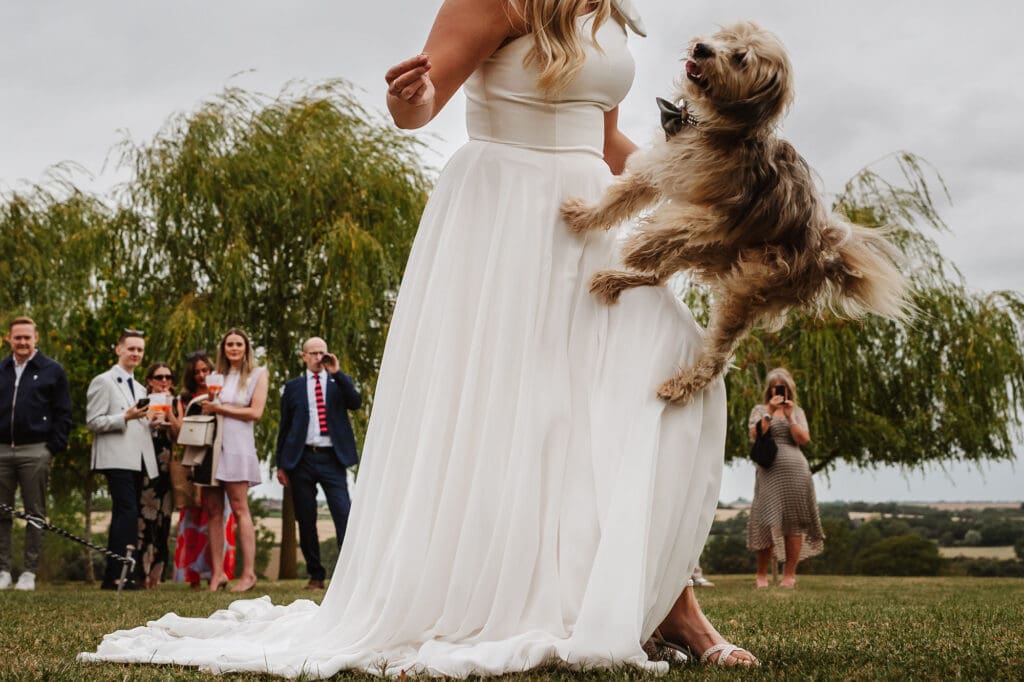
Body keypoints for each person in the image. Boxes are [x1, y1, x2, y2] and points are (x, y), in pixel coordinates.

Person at [80, 0, 754, 672]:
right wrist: (414, 94)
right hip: (504, 217)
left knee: (672, 367)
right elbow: (419, 108)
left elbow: (604, 142)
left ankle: (661, 599)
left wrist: (703, 191)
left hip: (591, 220)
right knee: (527, 413)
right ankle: (626, 608)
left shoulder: (607, 13)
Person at [275, 337, 361, 590]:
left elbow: (355, 403)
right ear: (304, 356)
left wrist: (338, 372)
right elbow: (285, 426)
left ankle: (349, 574)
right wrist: (282, 464)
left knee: (343, 512)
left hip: (332, 458)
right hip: (301, 459)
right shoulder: (293, 387)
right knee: (306, 517)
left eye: (321, 352)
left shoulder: (338, 383)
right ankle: (316, 575)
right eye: (312, 353)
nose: (317, 357)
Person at [0, 316, 72, 592]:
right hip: (2, 449)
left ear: (36, 338)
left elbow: (63, 413)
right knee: (1, 513)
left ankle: (29, 572)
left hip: (36, 450)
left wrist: (51, 448)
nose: (22, 342)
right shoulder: (2, 369)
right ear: (9, 338)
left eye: (27, 337)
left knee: (35, 513)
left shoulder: (53, 370)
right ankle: (3, 569)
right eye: (17, 337)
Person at [86, 329, 159, 590]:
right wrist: (124, 417)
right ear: (119, 350)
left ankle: (118, 574)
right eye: (131, 348)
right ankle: (118, 574)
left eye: (140, 349)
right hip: (114, 458)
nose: (136, 354)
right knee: (126, 514)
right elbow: (93, 422)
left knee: (128, 515)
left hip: (137, 460)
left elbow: (136, 426)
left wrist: (151, 423)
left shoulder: (140, 387)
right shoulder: (103, 381)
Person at [198, 328, 267, 592]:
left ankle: (248, 573)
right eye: (230, 344)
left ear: (246, 348)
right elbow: (211, 408)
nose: (234, 348)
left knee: (239, 508)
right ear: (224, 348)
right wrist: (211, 405)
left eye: (239, 344)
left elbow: (255, 412)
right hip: (213, 447)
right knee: (214, 511)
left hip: (238, 445)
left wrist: (220, 408)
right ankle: (218, 573)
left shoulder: (257, 375)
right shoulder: (217, 376)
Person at [746, 368, 825, 588]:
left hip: (796, 472)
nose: (778, 389)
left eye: (782, 386)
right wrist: (770, 412)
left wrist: (790, 417)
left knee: (794, 523)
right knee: (765, 520)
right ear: (769, 389)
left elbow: (803, 439)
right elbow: (755, 435)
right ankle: (761, 575)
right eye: (774, 386)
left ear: (789, 389)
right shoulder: (760, 410)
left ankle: (789, 574)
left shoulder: (796, 411)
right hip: (769, 472)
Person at [170, 352, 236, 590]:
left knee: (218, 514)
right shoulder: (187, 399)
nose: (201, 375)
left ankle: (219, 572)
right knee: (195, 517)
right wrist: (170, 412)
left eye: (205, 371)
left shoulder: (224, 396)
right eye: (196, 372)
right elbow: (181, 434)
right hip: (195, 459)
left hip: (221, 457)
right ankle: (193, 575)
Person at [134, 362, 177, 588]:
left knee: (164, 522)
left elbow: (180, 434)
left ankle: (157, 576)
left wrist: (170, 413)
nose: (164, 381)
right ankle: (141, 572)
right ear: (149, 380)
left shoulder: (175, 402)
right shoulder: (141, 402)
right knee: (145, 521)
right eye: (159, 377)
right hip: (146, 466)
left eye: (168, 377)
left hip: (168, 468)